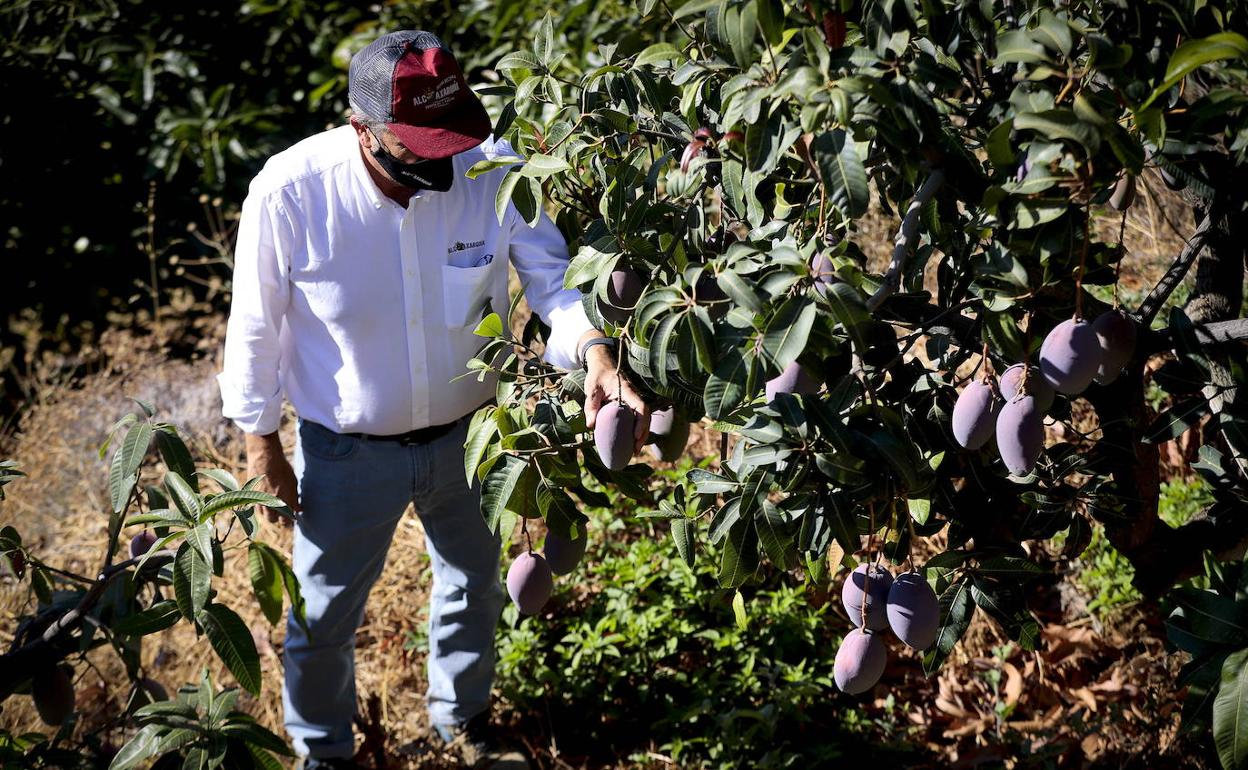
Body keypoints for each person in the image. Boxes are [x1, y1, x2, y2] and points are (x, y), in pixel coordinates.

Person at [216, 29, 650, 770]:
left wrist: (596, 353)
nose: (444, 161)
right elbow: (253, 329)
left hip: (472, 438)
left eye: (450, 137)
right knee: (323, 614)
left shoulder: (490, 169)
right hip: (346, 453)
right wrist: (262, 445)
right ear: (363, 128)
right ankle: (324, 753)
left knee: (473, 583)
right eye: (420, 146)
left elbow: (553, 281)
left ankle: (463, 720)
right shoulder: (291, 193)